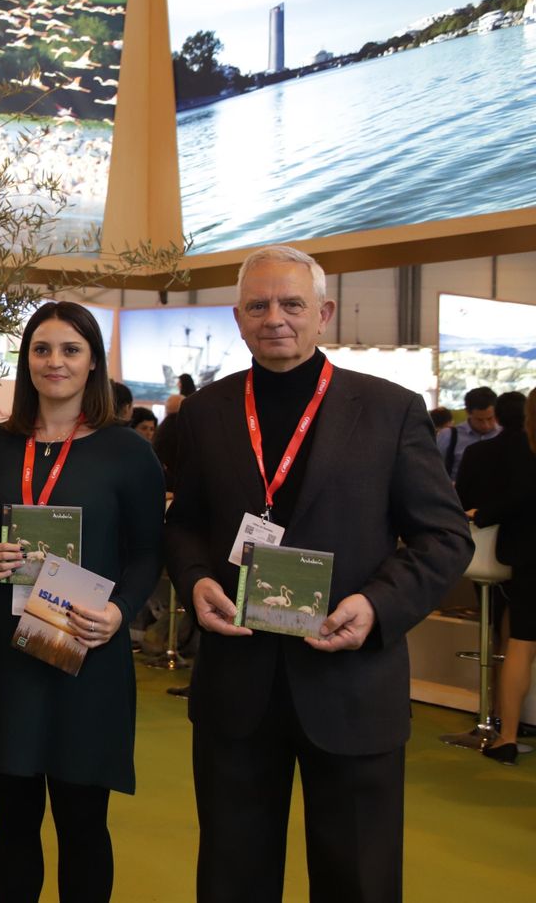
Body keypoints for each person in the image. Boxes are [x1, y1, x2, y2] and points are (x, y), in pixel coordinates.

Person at [165, 245, 471, 903]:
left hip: (351, 684)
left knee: (358, 878)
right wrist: (194, 579)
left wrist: (378, 605)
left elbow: (445, 535)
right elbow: (183, 522)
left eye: (292, 304)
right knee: (232, 876)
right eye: (258, 305)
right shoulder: (207, 414)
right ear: (239, 318)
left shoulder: (389, 410)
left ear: (323, 313)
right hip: (236, 686)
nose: (275, 317)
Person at [0, 301, 165, 903]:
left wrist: (121, 612)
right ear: (26, 361)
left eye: (71, 350)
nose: (55, 362)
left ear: (93, 361)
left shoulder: (127, 452)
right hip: (8, 654)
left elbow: (148, 552)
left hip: (87, 652)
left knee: (83, 823)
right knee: (13, 819)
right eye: (42, 349)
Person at [455, 391, 536, 764]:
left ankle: (505, 735)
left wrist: (482, 514)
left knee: (520, 640)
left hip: (522, 558)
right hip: (520, 559)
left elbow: (519, 499)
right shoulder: (521, 452)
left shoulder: (519, 450)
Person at [439, 386, 499, 480]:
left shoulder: (503, 434)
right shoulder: (448, 436)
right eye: (479, 420)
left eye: (490, 418)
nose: (486, 425)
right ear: (468, 412)